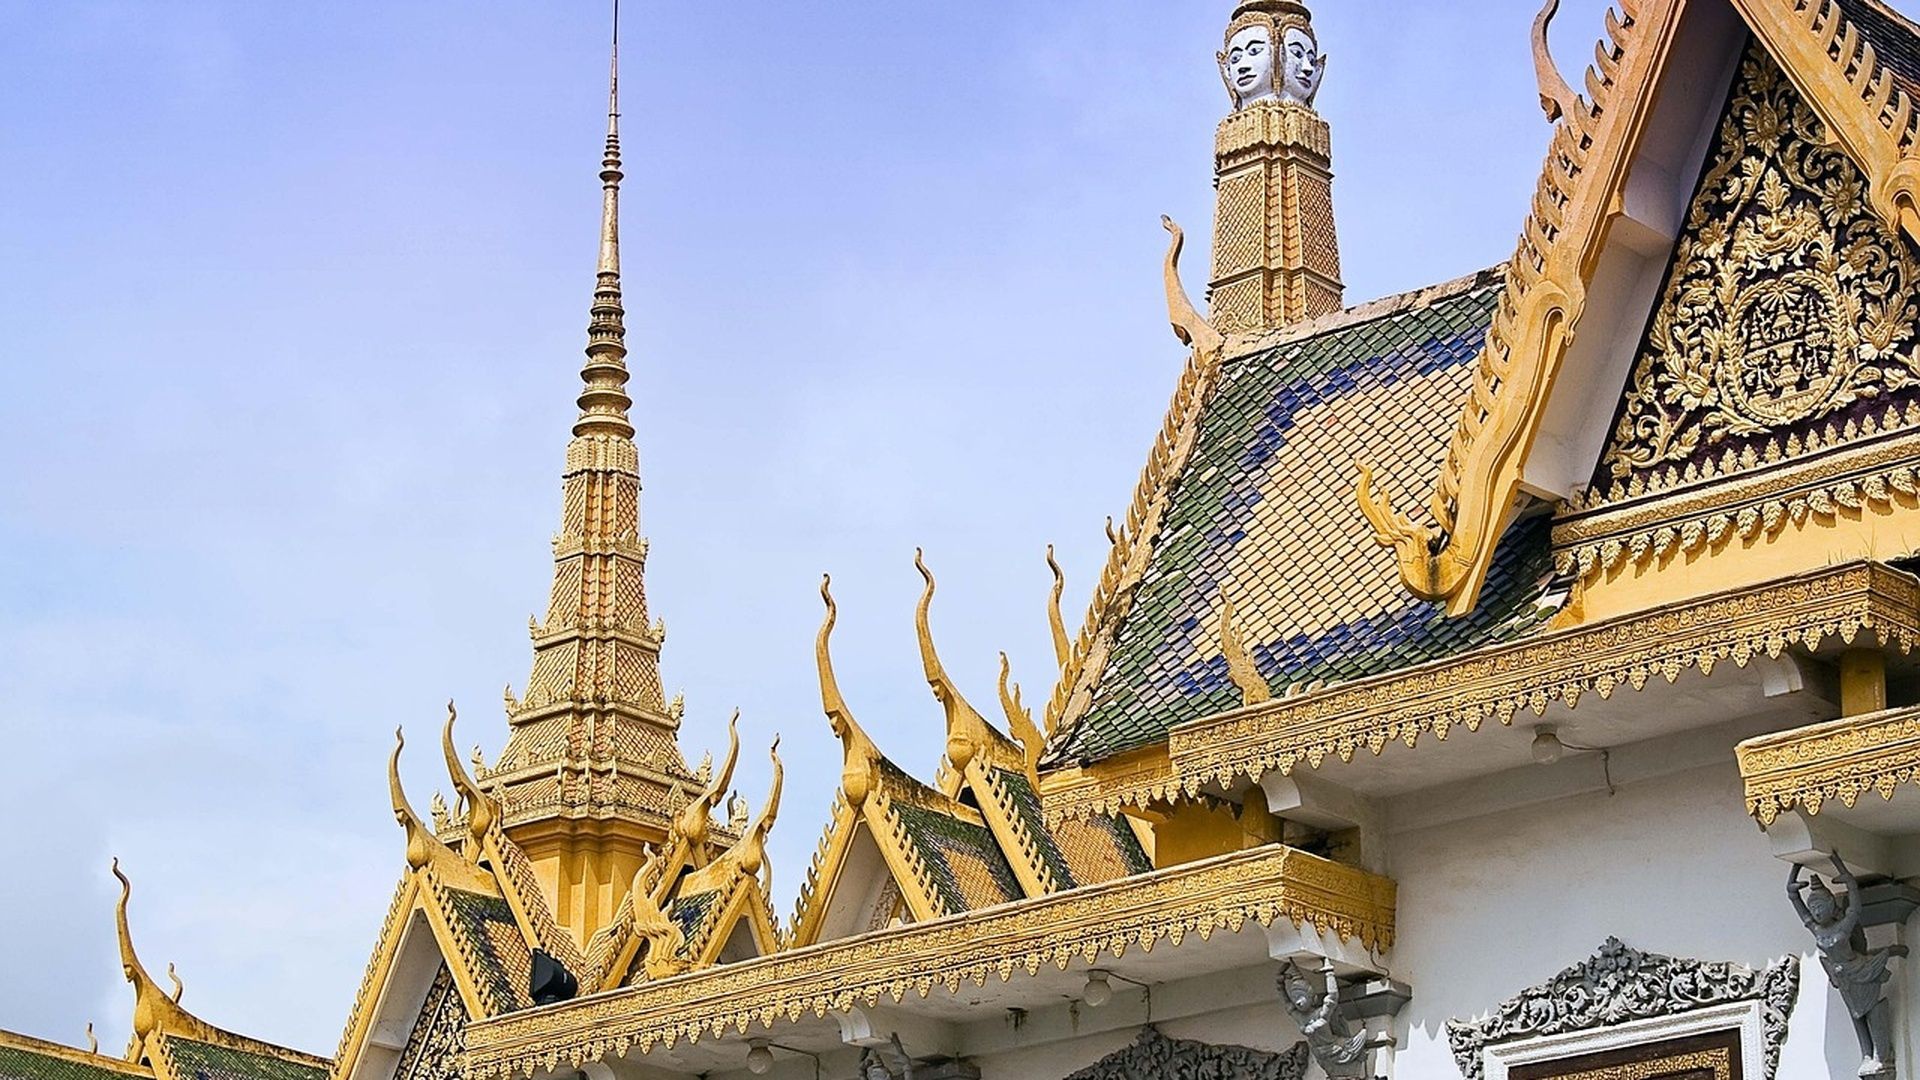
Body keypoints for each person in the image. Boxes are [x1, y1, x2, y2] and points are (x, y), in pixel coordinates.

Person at [1789, 852, 1907, 1077]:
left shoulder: (1843, 927)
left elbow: (1855, 909)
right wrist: (1793, 886)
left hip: (1859, 970)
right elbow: (1798, 907)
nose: (1815, 912)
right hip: (1841, 977)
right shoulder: (1818, 930)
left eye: (1820, 907)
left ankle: (1881, 1056)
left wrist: (1846, 876)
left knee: (1871, 1009)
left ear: (1832, 906)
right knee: (1856, 1014)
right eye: (1814, 908)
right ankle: (1866, 1053)